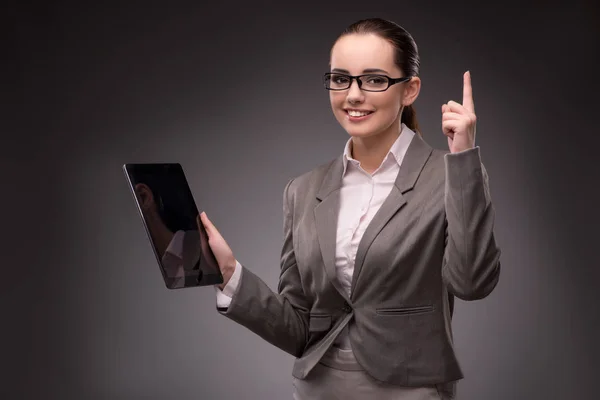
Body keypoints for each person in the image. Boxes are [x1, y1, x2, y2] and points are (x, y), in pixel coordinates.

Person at [198, 17, 501, 399]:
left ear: (410, 90)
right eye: (340, 79)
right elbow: (300, 328)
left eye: (374, 79)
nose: (353, 95)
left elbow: (472, 282)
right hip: (319, 388)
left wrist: (464, 162)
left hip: (410, 389)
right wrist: (229, 274)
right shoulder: (303, 190)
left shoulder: (451, 175)